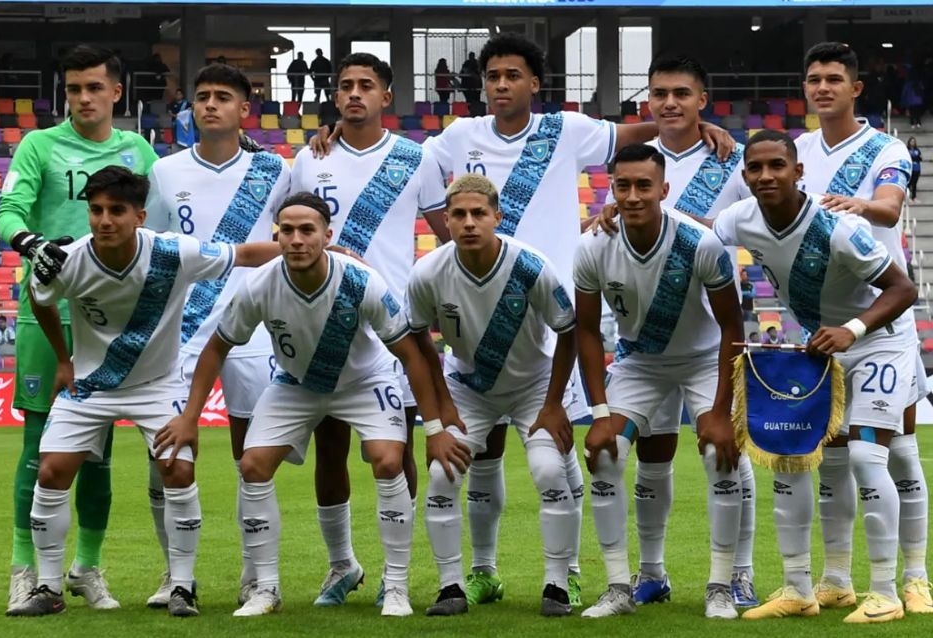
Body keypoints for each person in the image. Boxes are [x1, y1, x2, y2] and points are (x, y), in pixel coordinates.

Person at [309, 34, 734, 609]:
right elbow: (395, 157)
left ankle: (571, 572)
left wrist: (700, 130)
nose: (502, 84)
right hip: (477, 317)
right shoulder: (458, 137)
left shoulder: (566, 129)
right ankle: (480, 573)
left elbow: (643, 131)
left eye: (513, 75)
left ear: (535, 83)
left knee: (559, 456)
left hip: (553, 320)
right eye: (493, 76)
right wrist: (337, 133)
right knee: (480, 455)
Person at [6, 166, 279, 617]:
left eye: (116, 210)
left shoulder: (174, 252)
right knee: (51, 471)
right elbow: (40, 297)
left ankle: (183, 586)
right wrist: (62, 359)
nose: (104, 220)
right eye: (96, 210)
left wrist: (319, 248)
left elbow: (246, 253)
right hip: (92, 384)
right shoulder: (67, 259)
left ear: (140, 216)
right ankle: (49, 588)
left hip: (158, 385)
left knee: (177, 469)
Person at [168, 192, 450, 618]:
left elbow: (410, 355)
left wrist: (434, 429)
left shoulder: (361, 280)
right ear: (276, 236)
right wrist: (190, 418)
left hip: (364, 380)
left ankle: (396, 586)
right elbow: (216, 348)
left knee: (389, 460)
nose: (297, 239)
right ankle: (266, 589)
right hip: (297, 384)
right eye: (287, 230)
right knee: (253, 466)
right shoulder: (260, 284)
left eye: (307, 230)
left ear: (327, 236)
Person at [710, 129, 917, 623]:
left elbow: (903, 289)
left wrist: (852, 329)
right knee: (800, 459)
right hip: (823, 346)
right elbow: (693, 233)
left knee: (868, 457)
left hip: (879, 339)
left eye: (777, 166)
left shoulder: (839, 228)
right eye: (755, 168)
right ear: (745, 176)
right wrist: (626, 216)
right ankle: (808, 587)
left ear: (798, 172)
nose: (765, 176)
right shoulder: (739, 218)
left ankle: (885, 592)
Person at [0, 44, 158, 614]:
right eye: (73, 89)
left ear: (116, 92)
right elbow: (8, 212)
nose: (83, 98)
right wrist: (33, 244)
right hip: (47, 316)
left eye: (93, 88)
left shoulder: (138, 151)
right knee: (39, 445)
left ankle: (87, 567)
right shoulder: (39, 145)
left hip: (110, 321)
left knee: (98, 451)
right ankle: (24, 570)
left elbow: (160, 218)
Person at [596, 54, 758, 607]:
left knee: (726, 452)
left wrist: (707, 230)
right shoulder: (634, 165)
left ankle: (739, 573)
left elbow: (766, 223)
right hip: (645, 343)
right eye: (659, 93)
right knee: (652, 456)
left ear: (702, 101)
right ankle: (651, 574)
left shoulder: (732, 160)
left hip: (711, 336)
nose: (669, 103)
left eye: (682, 94)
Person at [289, 52, 446, 608]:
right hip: (324, 321)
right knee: (330, 448)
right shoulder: (309, 158)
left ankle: (394, 573)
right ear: (335, 96)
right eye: (346, 85)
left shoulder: (416, 157)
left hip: (394, 324)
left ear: (386, 95)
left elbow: (446, 235)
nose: (355, 93)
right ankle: (342, 565)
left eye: (366, 85)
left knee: (396, 451)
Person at [143, 62, 293, 608]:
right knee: (167, 455)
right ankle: (176, 575)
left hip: (254, 329)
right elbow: (152, 248)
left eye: (222, 97)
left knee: (251, 456)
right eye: (201, 96)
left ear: (243, 109)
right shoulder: (165, 171)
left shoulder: (275, 171)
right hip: (181, 331)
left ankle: (257, 577)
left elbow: (300, 232)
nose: (210, 104)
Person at [575, 144, 743, 620]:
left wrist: (719, 410)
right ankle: (619, 587)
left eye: (643, 186)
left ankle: (720, 587)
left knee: (719, 456)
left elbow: (732, 326)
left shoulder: (700, 243)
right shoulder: (592, 246)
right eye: (623, 185)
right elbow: (586, 331)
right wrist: (600, 413)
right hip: (640, 362)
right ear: (612, 189)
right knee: (605, 456)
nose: (632, 196)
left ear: (664, 189)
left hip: (703, 359)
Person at [795, 42, 932, 615]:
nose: (822, 88)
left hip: (882, 319)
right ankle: (835, 578)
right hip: (826, 327)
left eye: (833, 79)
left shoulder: (886, 147)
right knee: (832, 459)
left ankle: (914, 578)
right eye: (814, 79)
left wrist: (853, 205)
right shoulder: (796, 151)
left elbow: (890, 207)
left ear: (855, 88)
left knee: (894, 452)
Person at [409, 174, 579, 617]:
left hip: (534, 387)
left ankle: (560, 584)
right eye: (459, 215)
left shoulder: (531, 266)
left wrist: (553, 404)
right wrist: (441, 410)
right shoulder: (428, 272)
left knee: (548, 471)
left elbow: (569, 330)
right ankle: (451, 587)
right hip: (469, 389)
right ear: (445, 220)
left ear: (497, 217)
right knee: (442, 475)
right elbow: (418, 339)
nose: (469, 223)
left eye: (478, 213)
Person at [907, 136, 922, 203]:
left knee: (914, 183)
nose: (912, 143)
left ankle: (914, 197)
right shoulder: (907, 150)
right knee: (909, 183)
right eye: (911, 141)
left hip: (917, 168)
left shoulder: (917, 150)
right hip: (910, 168)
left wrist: (916, 157)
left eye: (914, 141)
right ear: (909, 142)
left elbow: (920, 158)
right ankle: (907, 197)